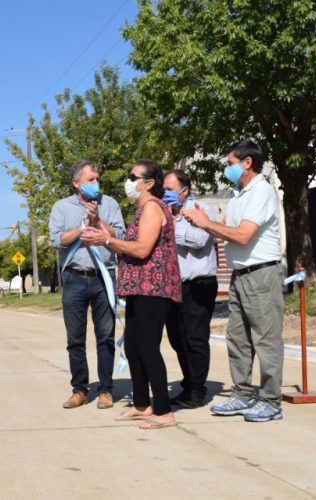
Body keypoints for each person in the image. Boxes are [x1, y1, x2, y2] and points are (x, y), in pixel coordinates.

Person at [183, 139, 285, 423]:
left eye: (229, 164)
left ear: (247, 163)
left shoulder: (261, 191)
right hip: (241, 276)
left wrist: (206, 224)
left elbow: (242, 235)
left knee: (265, 340)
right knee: (238, 339)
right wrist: (205, 222)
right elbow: (228, 231)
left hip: (261, 274)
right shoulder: (238, 194)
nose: (226, 169)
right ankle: (242, 394)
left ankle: (270, 400)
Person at [82, 159, 182, 430]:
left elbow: (141, 249)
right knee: (133, 346)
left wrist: (105, 241)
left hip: (153, 287)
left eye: (133, 176)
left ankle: (163, 410)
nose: (128, 180)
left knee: (148, 347)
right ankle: (141, 404)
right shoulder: (141, 209)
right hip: (139, 286)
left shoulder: (152, 207)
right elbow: (125, 240)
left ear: (149, 183)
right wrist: (99, 225)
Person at [48, 161, 126, 410]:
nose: (96, 183)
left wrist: (98, 221)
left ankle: (105, 390)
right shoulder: (61, 207)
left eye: (97, 179)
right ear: (76, 183)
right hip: (74, 278)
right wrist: (83, 225)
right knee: (75, 339)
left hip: (104, 277)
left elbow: (121, 236)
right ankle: (80, 390)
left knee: (105, 336)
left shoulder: (110, 203)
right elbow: (57, 240)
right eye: (91, 179)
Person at [161, 170, 219, 409]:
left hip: (199, 285)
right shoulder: (164, 212)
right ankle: (187, 384)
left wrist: (175, 227)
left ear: (185, 189)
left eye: (171, 189)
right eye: (163, 189)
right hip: (173, 286)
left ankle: (198, 390)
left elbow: (199, 240)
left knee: (195, 338)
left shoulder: (202, 209)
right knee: (177, 338)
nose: (166, 194)